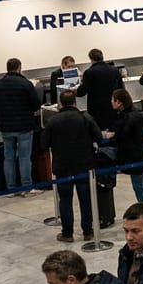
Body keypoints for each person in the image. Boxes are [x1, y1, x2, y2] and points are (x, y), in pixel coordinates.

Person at [42, 89, 103, 242]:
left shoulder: (53, 121)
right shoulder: (85, 118)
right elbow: (99, 138)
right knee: (86, 199)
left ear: (60, 104)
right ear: (75, 102)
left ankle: (67, 233)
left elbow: (44, 144)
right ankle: (88, 232)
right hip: (84, 165)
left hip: (62, 167)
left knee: (65, 200)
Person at [0, 57, 43, 197]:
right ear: (19, 68)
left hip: (5, 127)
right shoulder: (26, 84)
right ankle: (27, 187)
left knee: (9, 158)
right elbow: (36, 104)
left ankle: (10, 189)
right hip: (24, 125)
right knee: (24, 157)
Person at [102, 88, 143, 204]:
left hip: (132, 156)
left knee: (139, 186)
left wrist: (111, 135)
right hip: (140, 154)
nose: (111, 102)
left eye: (113, 100)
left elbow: (122, 135)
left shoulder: (126, 117)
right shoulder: (136, 114)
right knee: (139, 185)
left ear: (119, 102)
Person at [77, 49, 123, 131]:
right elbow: (120, 88)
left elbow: (82, 92)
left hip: (96, 110)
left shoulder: (89, 72)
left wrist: (74, 91)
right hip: (113, 107)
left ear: (91, 59)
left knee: (99, 134)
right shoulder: (114, 70)